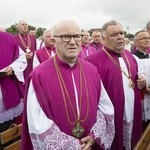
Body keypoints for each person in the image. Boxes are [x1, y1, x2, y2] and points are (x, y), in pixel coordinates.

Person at [21, 20, 115, 150]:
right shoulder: (38, 75)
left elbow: (105, 107)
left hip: (90, 144)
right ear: (55, 40)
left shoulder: (92, 70)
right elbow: (37, 122)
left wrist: (95, 135)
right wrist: (71, 146)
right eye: (65, 36)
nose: (72, 41)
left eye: (76, 36)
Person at [87, 20, 146, 150]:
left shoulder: (130, 55)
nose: (120, 37)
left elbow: (135, 79)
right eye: (114, 34)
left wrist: (141, 82)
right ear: (103, 38)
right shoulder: (92, 60)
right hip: (112, 112)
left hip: (132, 108)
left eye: (121, 33)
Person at [0, 31, 27, 132]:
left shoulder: (7, 38)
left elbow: (21, 58)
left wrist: (12, 68)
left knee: (10, 131)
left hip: (6, 90)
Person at [133, 30, 150, 130]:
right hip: (141, 95)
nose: (147, 40)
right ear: (136, 42)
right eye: (144, 38)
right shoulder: (133, 58)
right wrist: (145, 89)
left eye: (148, 38)